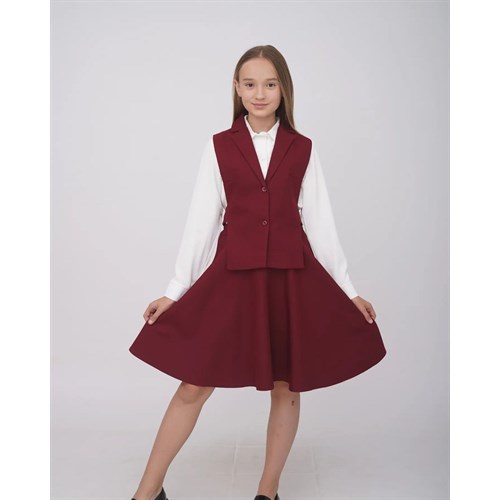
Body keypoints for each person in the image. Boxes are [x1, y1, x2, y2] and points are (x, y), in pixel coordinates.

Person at [129, 45, 387, 500]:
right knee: (193, 384)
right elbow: (201, 221)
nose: (260, 93)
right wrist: (176, 289)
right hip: (234, 276)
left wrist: (348, 290)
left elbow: (320, 223)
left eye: (270, 84)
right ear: (236, 88)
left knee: (287, 385)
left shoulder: (302, 148)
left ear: (284, 89)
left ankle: (268, 491)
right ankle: (146, 493)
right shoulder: (219, 146)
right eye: (250, 84)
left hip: (291, 278)